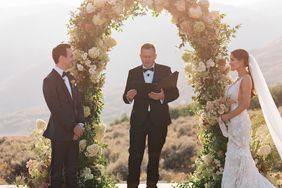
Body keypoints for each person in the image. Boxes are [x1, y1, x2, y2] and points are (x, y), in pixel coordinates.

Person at [123, 43, 179, 188]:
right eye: (144, 56)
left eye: (150, 56)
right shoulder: (132, 72)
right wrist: (128, 96)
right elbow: (125, 96)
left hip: (159, 120)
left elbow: (175, 93)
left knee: (154, 156)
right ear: (140, 56)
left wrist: (162, 96)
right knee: (135, 156)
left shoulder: (165, 70)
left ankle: (152, 185)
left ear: (155, 56)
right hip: (138, 121)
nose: (147, 59)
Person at [219, 49, 276, 187]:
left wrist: (228, 116)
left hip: (239, 122)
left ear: (242, 61)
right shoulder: (236, 80)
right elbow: (234, 101)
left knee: (240, 155)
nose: (230, 62)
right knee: (234, 155)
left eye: (232, 59)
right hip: (233, 121)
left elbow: (245, 104)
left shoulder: (246, 79)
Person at [43, 43, 85, 188]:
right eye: (71, 55)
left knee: (72, 172)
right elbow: (56, 110)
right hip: (60, 133)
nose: (73, 58)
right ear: (61, 58)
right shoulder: (49, 81)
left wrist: (80, 124)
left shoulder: (71, 78)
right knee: (56, 173)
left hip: (75, 133)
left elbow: (79, 103)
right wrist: (72, 128)